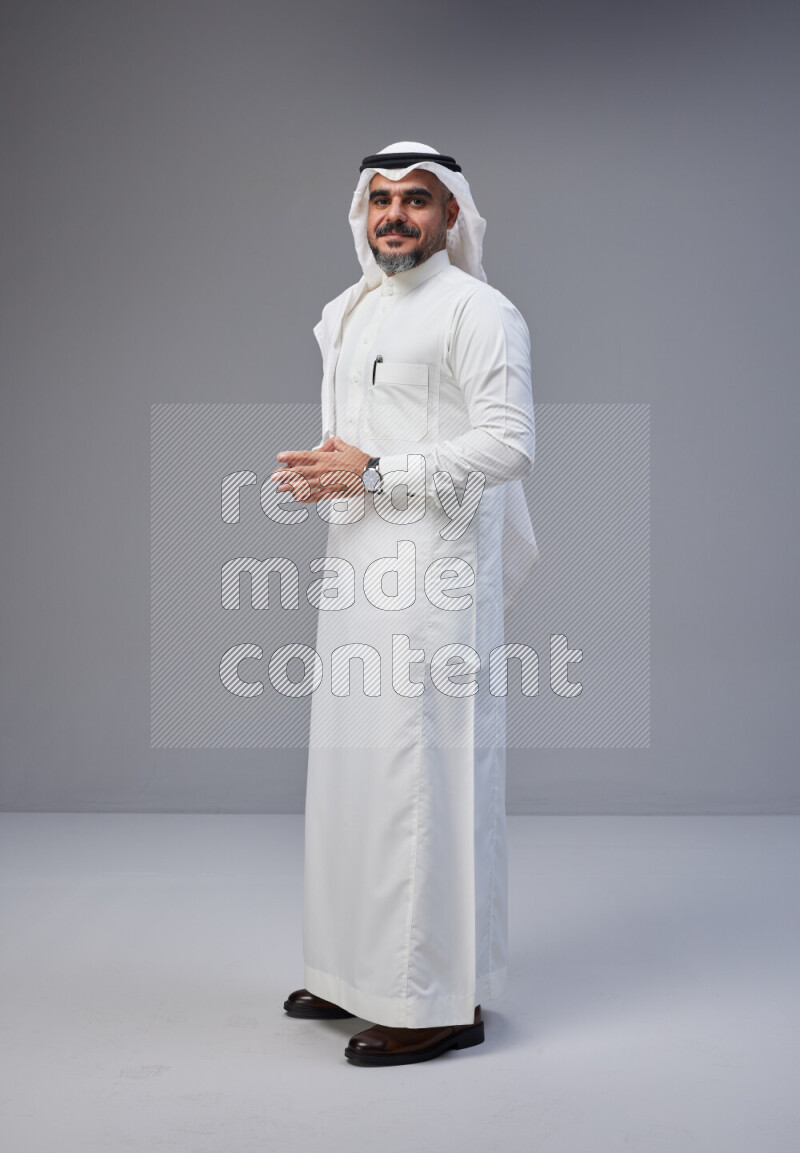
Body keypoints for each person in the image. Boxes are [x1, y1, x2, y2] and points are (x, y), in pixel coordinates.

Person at [271, 141, 540, 1066]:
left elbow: (508, 445)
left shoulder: (480, 310)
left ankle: (434, 998)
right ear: (362, 212)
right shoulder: (347, 311)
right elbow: (357, 439)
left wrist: (381, 471)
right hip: (358, 565)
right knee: (354, 775)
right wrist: (331, 475)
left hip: (436, 576)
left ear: (452, 214)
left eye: (416, 200)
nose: (395, 215)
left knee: (420, 778)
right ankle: (357, 972)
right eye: (381, 199)